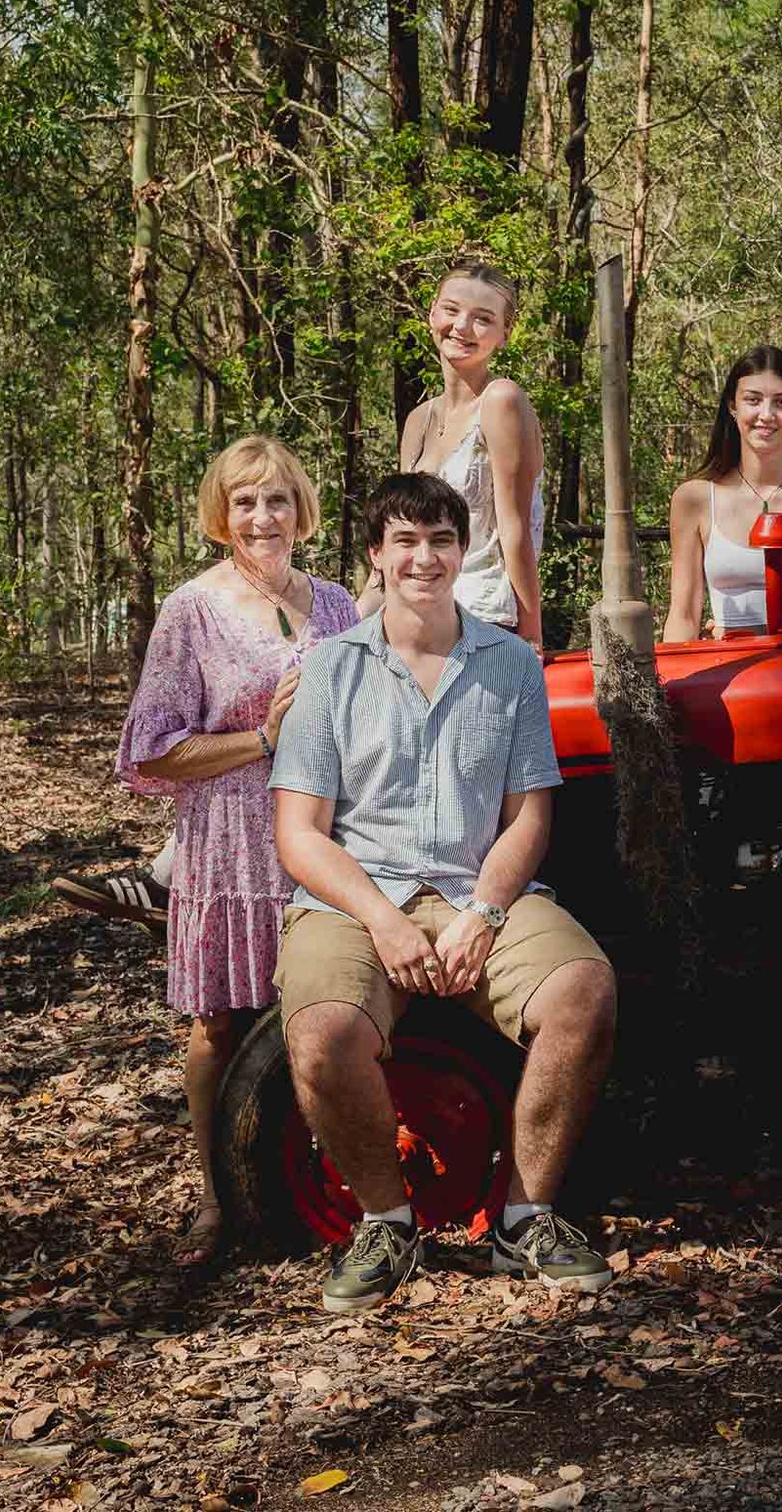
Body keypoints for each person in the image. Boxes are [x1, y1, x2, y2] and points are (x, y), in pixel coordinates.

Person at [271, 473, 619, 1313]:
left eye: (441, 540)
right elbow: (300, 833)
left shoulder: (510, 666)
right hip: (357, 902)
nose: (423, 557)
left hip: (478, 889)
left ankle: (526, 1216)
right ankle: (386, 1223)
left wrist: (485, 912)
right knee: (320, 1032)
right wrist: (385, 921)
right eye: (404, 540)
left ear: (464, 553)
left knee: (585, 990)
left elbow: (530, 814)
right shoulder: (330, 669)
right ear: (375, 556)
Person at [113, 437, 360, 1266]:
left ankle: (319, 1185)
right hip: (228, 840)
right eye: (246, 501)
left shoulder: (335, 604)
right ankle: (217, 1201)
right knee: (221, 1022)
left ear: (302, 508)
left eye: (278, 499)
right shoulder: (193, 608)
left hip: (325, 833)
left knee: (322, 1007)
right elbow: (150, 749)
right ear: (222, 514)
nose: (263, 516)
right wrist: (261, 736)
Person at [367, 261, 546, 647]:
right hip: (413, 617)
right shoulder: (419, 420)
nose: (462, 327)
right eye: (451, 310)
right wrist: (354, 615)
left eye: (482, 319)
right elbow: (397, 531)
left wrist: (530, 639)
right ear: (432, 313)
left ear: (505, 333)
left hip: (483, 619)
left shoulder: (501, 400)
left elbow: (515, 530)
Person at [664, 346, 782, 641]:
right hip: (725, 676)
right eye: (752, 400)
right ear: (733, 406)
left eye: (781, 402)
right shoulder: (694, 499)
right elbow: (683, 615)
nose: (766, 415)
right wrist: (672, 684)